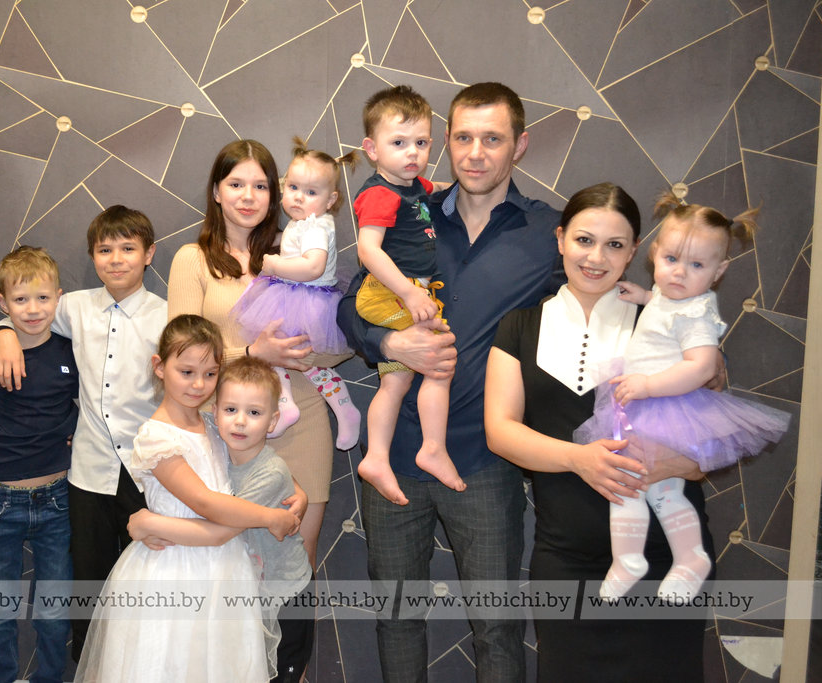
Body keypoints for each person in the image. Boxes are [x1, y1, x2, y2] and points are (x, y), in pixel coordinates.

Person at [338, 82, 560, 683]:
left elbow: (593, 297)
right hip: (394, 454)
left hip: (484, 459)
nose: (475, 153)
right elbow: (350, 307)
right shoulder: (409, 209)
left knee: (497, 628)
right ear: (447, 143)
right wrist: (390, 344)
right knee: (396, 619)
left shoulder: (549, 235)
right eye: (463, 137)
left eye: (493, 139)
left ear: (520, 145)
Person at [484, 182, 716, 681]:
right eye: (584, 240)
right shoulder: (518, 326)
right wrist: (580, 459)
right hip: (564, 558)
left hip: (666, 560)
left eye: (614, 245)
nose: (596, 257)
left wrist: (677, 461)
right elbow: (500, 432)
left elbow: (709, 444)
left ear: (634, 252)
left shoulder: (670, 324)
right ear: (560, 238)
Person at [574, 193, 789, 603]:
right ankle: (654, 558)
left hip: (665, 409)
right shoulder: (672, 296)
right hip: (644, 407)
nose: (678, 273)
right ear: (655, 253)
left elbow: (702, 366)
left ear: (719, 271)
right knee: (644, 488)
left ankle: (667, 559)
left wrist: (648, 386)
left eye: (696, 265)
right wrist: (645, 297)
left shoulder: (695, 314)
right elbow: (665, 309)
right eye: (671, 259)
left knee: (644, 488)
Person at [74, 315, 299, 682]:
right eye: (187, 372)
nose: (199, 384)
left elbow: (258, 463)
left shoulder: (213, 422)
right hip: (171, 570)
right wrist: (269, 517)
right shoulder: (158, 438)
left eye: (210, 374)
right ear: (159, 367)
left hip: (226, 570)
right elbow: (207, 504)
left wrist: (296, 491)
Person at [0, 205, 165, 659]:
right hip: (88, 471)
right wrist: (3, 331)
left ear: (149, 254)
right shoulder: (74, 306)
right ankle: (89, 664)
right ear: (92, 256)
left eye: (128, 248)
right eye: (105, 250)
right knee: (88, 578)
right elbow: (26, 307)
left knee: (146, 578)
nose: (116, 259)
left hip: (149, 472)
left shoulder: (167, 316)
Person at [168, 139, 343, 566]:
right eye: (236, 184)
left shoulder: (302, 249)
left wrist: (297, 354)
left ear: (274, 194)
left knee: (295, 563)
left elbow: (338, 338)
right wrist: (252, 353)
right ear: (216, 191)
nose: (248, 196)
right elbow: (180, 355)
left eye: (261, 186)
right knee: (229, 563)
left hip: (301, 422)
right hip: (225, 429)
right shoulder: (192, 260)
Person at [130, 356, 315, 683]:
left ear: (272, 421)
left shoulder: (268, 473)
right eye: (230, 409)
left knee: (282, 673)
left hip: (285, 592)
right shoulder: (216, 436)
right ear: (215, 413)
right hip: (249, 588)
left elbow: (219, 532)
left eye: (254, 413)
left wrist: (149, 524)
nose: (240, 421)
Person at [0, 246, 77, 683]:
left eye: (43, 298)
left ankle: (49, 677)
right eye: (21, 299)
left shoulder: (71, 353)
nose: (33, 309)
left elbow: (83, 406)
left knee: (54, 609)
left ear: (58, 298)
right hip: (0, 499)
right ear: (3, 302)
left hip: (59, 499)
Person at [353, 84, 463, 506]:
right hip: (390, 291)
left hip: (405, 291)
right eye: (398, 143)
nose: (412, 153)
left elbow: (432, 190)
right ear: (372, 149)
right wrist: (409, 293)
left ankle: (377, 457)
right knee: (439, 362)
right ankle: (430, 448)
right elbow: (368, 250)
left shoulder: (413, 185)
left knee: (398, 378)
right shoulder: (380, 193)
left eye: (421, 143)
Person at [231, 137, 361, 450]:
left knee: (292, 352)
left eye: (311, 192)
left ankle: (332, 406)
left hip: (307, 299)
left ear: (330, 200)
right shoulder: (302, 223)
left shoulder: (316, 227)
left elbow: (313, 267)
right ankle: (293, 402)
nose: (299, 198)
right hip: (296, 295)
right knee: (279, 350)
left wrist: (275, 265)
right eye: (293, 187)